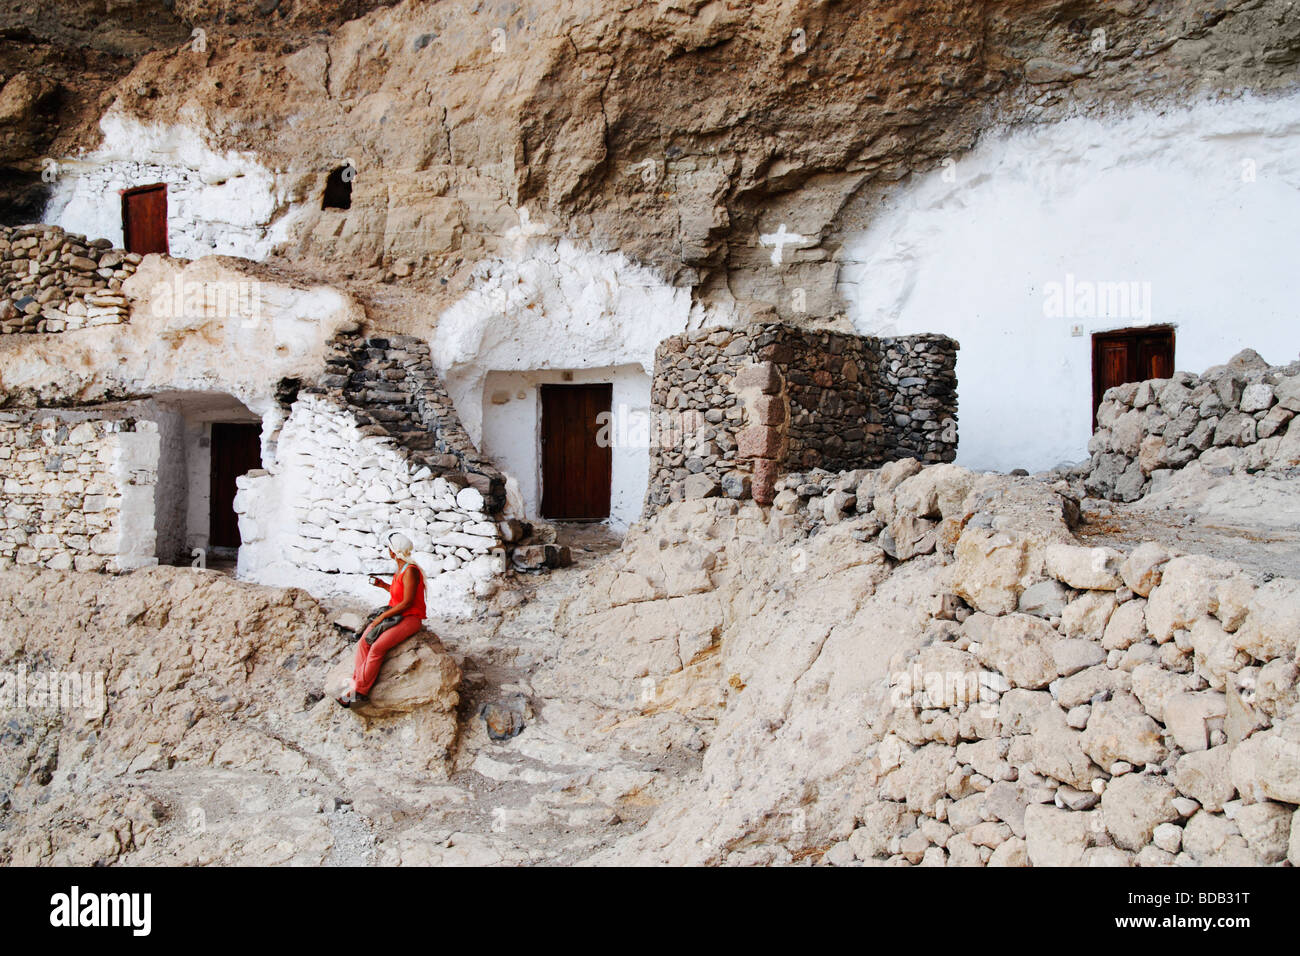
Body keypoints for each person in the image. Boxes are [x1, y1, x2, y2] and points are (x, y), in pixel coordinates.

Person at [337, 531, 427, 707]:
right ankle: (356, 683)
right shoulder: (401, 569)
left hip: (410, 617)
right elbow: (399, 595)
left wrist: (383, 617)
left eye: (389, 548)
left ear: (394, 551)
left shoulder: (411, 571)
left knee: (378, 646)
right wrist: (383, 585)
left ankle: (359, 691)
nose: (388, 551)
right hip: (396, 614)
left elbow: (407, 603)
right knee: (364, 641)